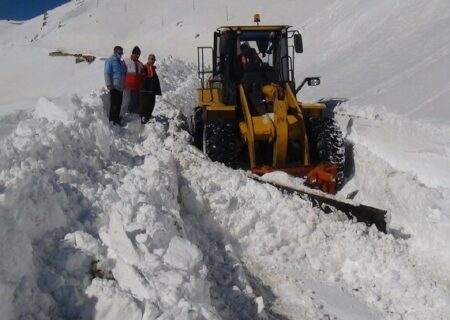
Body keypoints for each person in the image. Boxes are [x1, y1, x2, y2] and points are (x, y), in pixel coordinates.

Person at [104, 45, 125, 125]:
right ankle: (112, 121)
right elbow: (107, 73)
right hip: (114, 86)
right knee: (114, 105)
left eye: (122, 53)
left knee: (119, 104)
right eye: (120, 53)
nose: (121, 54)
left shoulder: (120, 62)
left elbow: (123, 74)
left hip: (120, 87)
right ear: (115, 52)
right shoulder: (110, 61)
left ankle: (117, 120)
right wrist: (108, 84)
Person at [121, 46, 145, 116]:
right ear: (133, 53)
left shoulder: (140, 64)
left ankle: (136, 116)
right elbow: (121, 73)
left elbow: (142, 76)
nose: (137, 56)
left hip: (137, 87)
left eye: (138, 55)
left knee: (137, 103)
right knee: (129, 103)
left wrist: (142, 85)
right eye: (136, 54)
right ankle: (129, 117)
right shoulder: (126, 61)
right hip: (129, 87)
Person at [139, 53, 161, 124]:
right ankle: (143, 118)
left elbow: (155, 80)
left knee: (151, 104)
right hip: (146, 91)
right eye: (151, 59)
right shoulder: (145, 67)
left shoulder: (153, 69)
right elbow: (142, 79)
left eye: (154, 59)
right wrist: (144, 88)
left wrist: (156, 90)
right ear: (148, 59)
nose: (152, 61)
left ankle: (148, 117)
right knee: (145, 105)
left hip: (152, 91)